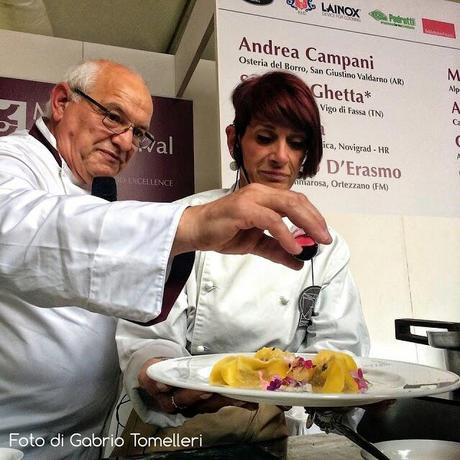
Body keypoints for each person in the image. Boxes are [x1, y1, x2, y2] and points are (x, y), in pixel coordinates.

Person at [0, 61, 332, 459]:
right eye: (113, 117)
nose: (126, 142)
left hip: (83, 438)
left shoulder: (92, 194)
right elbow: (17, 228)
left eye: (138, 132)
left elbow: (120, 322)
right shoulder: (12, 159)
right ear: (60, 102)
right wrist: (191, 225)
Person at [115, 71, 370, 456]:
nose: (280, 157)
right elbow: (149, 337)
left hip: (276, 429)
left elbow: (339, 349)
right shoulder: (186, 219)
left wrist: (342, 386)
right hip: (183, 430)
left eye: (296, 143)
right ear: (236, 140)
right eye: (265, 138)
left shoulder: (326, 247)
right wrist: (162, 377)